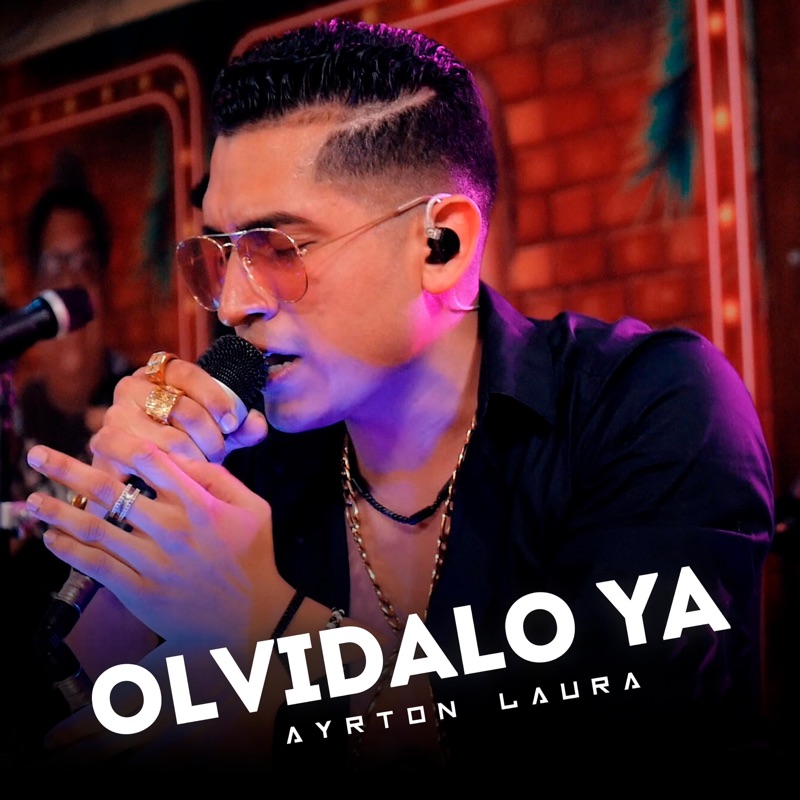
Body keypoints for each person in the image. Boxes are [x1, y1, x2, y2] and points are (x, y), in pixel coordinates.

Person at [22, 20, 773, 779]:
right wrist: (130, 501)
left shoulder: (653, 405)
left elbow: (611, 741)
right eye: (221, 253)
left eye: (279, 248)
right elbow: (86, 711)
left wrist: (266, 626)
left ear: (440, 245)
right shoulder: (260, 455)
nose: (235, 304)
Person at [4, 179, 132, 761]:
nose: (72, 280)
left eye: (85, 263)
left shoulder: (140, 398)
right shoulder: (11, 412)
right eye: (56, 264)